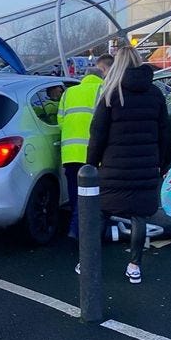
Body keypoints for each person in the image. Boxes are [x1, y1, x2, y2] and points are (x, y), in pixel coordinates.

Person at [87, 46, 168, 284]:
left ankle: (89, 260)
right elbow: (165, 132)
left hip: (114, 167)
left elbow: (98, 134)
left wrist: (90, 165)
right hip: (145, 167)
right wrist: (162, 163)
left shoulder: (111, 94)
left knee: (101, 213)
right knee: (139, 216)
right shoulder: (155, 93)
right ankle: (134, 266)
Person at [57, 67, 104, 244]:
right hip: (92, 153)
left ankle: (75, 228)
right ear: (101, 77)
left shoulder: (69, 92)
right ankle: (79, 232)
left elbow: (60, 122)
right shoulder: (102, 90)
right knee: (91, 197)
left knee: (75, 195)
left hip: (69, 153)